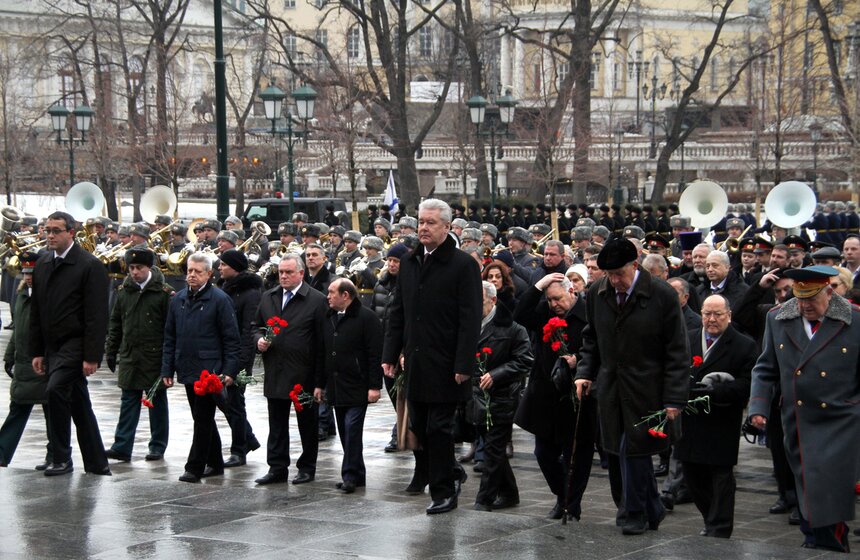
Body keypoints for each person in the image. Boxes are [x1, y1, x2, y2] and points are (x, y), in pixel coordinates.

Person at [574, 237, 689, 535]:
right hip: (612, 388)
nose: (615, 281)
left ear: (635, 265)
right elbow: (591, 337)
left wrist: (674, 398)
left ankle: (633, 511)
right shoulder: (598, 292)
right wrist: (584, 372)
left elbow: (677, 350)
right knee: (620, 451)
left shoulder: (662, 294)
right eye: (609, 275)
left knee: (633, 449)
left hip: (648, 389)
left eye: (619, 274)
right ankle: (652, 508)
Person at [749, 265, 859, 553]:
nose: (805, 306)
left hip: (841, 420)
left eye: (812, 299)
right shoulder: (778, 318)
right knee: (807, 485)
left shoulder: (854, 318)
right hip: (798, 419)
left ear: (829, 292)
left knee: (828, 488)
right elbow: (765, 368)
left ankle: (824, 542)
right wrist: (758, 407)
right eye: (800, 299)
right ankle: (818, 538)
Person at [382, 199, 482, 515]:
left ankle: (443, 491)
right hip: (416, 361)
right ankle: (451, 471)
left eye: (430, 223)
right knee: (421, 426)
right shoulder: (410, 261)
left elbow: (470, 318)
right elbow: (398, 312)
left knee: (439, 428)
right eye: (421, 222)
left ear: (447, 227)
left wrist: (463, 363)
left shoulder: (463, 265)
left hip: (447, 363)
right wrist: (390, 353)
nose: (423, 228)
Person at [30, 211, 111, 477]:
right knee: (79, 404)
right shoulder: (43, 263)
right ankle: (97, 462)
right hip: (53, 345)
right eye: (47, 230)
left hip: (76, 343)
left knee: (55, 390)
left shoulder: (89, 265)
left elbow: (97, 315)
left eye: (56, 231)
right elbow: (37, 311)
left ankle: (61, 457)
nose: (50, 236)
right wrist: (37, 351)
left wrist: (92, 356)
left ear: (71, 233)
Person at [515, 273, 596, 520]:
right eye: (550, 300)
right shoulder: (545, 313)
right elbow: (520, 313)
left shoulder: (588, 313)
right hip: (546, 395)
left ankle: (572, 504)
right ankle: (562, 495)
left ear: (571, 291)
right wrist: (539, 285)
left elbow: (599, 347)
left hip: (577, 396)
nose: (554, 304)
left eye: (558, 299)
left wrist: (578, 360)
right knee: (543, 453)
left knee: (577, 456)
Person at [676, 294, 756, 538]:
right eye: (707, 314)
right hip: (690, 418)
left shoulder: (744, 344)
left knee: (721, 476)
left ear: (728, 316)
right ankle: (710, 517)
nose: (711, 319)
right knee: (692, 475)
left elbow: (748, 382)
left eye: (718, 314)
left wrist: (718, 390)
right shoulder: (687, 338)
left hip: (721, 418)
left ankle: (719, 527)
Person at [161, 252, 241, 483]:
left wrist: (229, 370)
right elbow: (170, 337)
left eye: (197, 271)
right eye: (189, 271)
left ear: (209, 274)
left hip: (210, 370)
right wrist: (167, 369)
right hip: (187, 366)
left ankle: (194, 467)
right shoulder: (178, 299)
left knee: (203, 418)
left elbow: (231, 339)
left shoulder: (220, 299)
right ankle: (215, 462)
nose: (192, 275)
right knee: (200, 416)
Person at [253, 254, 327, 486]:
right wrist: (258, 340)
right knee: (276, 423)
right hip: (275, 369)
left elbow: (323, 341)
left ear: (301, 274)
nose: (283, 276)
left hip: (304, 373)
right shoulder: (269, 297)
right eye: (281, 272)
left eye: (288, 272)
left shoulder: (316, 300)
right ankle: (277, 467)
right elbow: (256, 326)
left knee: (307, 423)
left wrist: (320, 380)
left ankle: (307, 467)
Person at [104, 247, 174, 463]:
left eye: (139, 268)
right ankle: (122, 446)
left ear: (149, 267)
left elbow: (171, 329)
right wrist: (111, 350)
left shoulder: (164, 293)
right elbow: (116, 323)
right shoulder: (124, 291)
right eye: (131, 268)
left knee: (156, 402)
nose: (134, 272)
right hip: (130, 354)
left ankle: (157, 446)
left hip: (155, 356)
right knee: (128, 400)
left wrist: (169, 362)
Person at [470, 281, 532, 511]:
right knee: (492, 447)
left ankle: (484, 498)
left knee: (493, 449)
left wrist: (496, 374)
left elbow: (524, 360)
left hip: (503, 396)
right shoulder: (469, 324)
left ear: (493, 300)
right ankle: (509, 493)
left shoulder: (513, 329)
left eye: (480, 301)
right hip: (476, 397)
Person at [318, 278, 383, 493]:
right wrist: (319, 384)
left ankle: (349, 476)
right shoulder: (329, 317)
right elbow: (323, 352)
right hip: (337, 385)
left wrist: (374, 386)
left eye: (332, 292)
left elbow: (374, 354)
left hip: (358, 384)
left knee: (352, 428)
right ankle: (358, 474)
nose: (328, 296)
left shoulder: (367, 318)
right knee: (346, 432)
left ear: (345, 295)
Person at [0, 252, 52, 468]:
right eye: (25, 273)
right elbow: (18, 329)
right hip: (23, 363)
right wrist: (9, 355)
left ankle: (55, 455)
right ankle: (2, 454)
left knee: (53, 413)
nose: (28, 277)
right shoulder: (22, 294)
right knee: (18, 410)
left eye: (32, 273)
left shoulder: (49, 295)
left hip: (43, 364)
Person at [216, 249, 263, 467]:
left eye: (223, 264)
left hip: (239, 357)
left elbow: (248, 330)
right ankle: (248, 438)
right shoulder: (225, 287)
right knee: (222, 399)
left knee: (235, 402)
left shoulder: (251, 293)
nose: (219, 268)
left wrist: (240, 364)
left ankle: (239, 450)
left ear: (234, 267)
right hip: (222, 353)